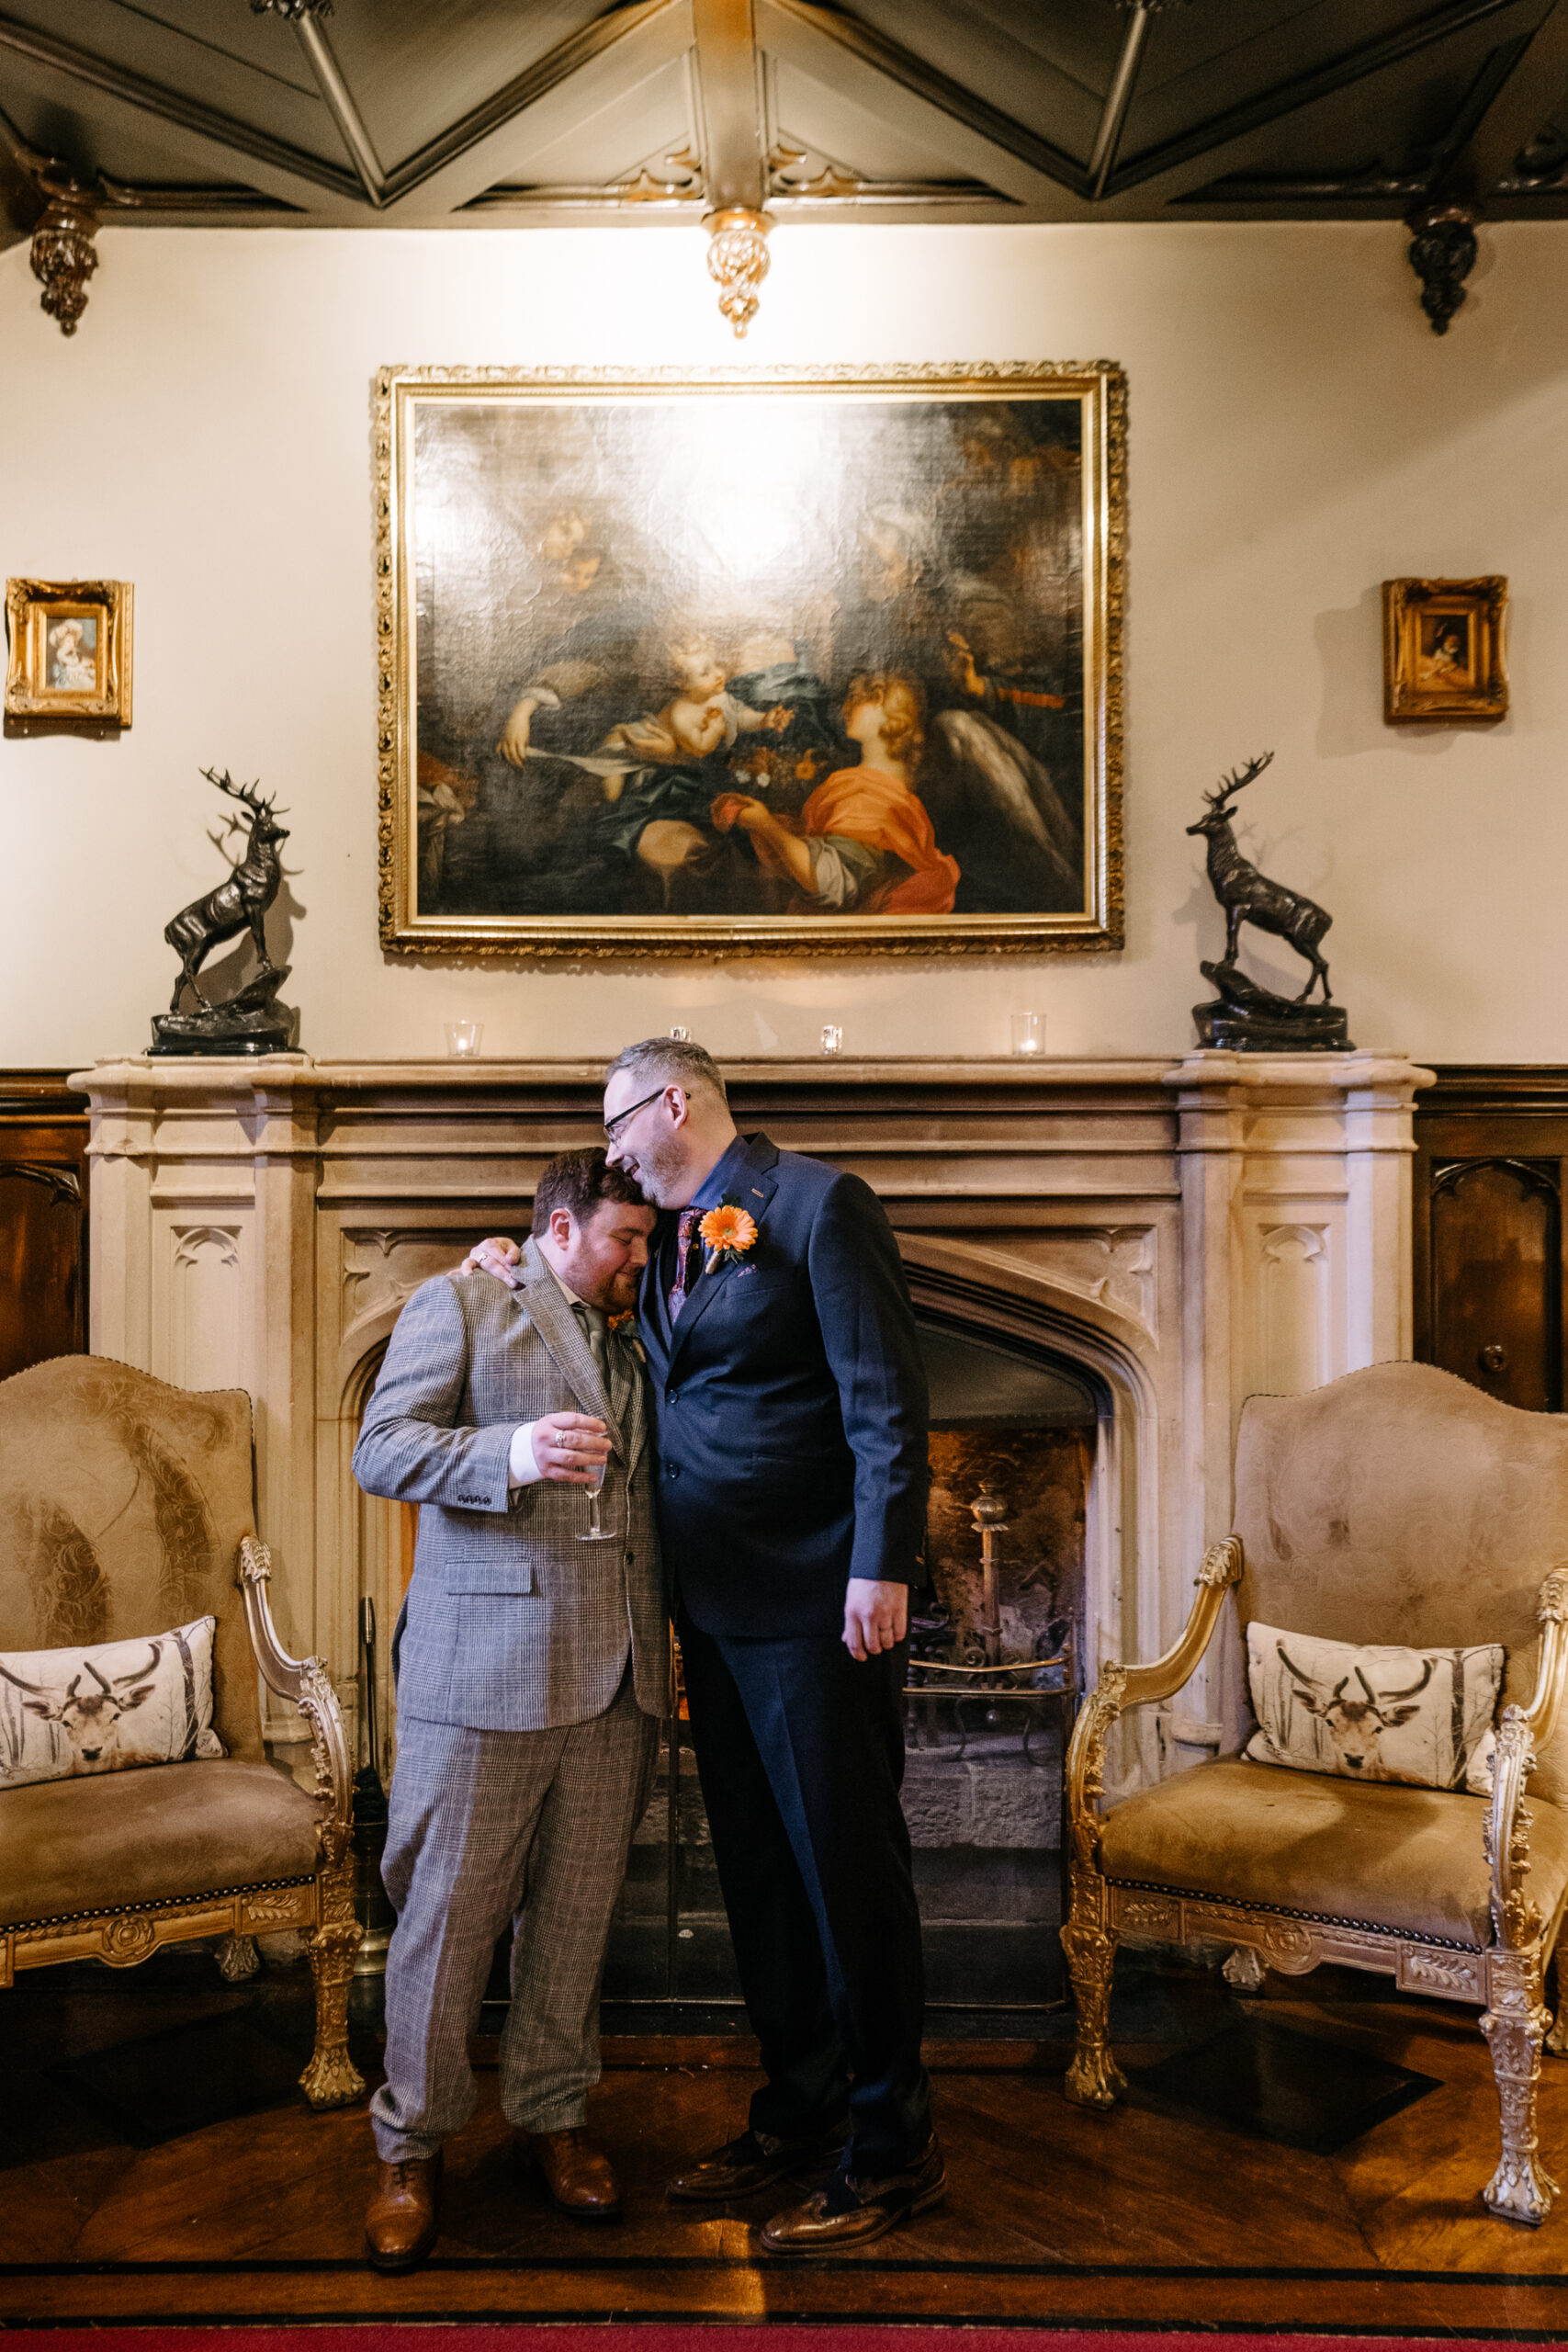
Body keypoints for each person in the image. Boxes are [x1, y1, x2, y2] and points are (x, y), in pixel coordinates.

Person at [464, 1037, 941, 2255]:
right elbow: (615, 1345)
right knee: (759, 1877)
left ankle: (891, 2151)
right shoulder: (666, 1234)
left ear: (673, 1101)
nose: (611, 1147)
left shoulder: (820, 1207)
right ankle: (796, 2109)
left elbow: (883, 1395)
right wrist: (504, 1269)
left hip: (820, 1601)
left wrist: (877, 1564)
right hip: (709, 1604)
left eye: (617, 1122)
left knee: (843, 1873)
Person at [352, 1149, 666, 2273]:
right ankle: (410, 2141)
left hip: (618, 1679)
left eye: (647, 1236)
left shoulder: (647, 1320)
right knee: (443, 1926)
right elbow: (379, 1448)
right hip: (480, 1677)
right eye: (625, 1236)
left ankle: (552, 2114)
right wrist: (511, 1450)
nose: (644, 1253)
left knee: (574, 1923)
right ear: (562, 1227)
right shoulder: (463, 1299)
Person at [711, 671, 960, 915]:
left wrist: (764, 823)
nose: (846, 708)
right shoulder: (868, 785)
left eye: (860, 700)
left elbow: (828, 882)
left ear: (890, 713)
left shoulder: (870, 797)